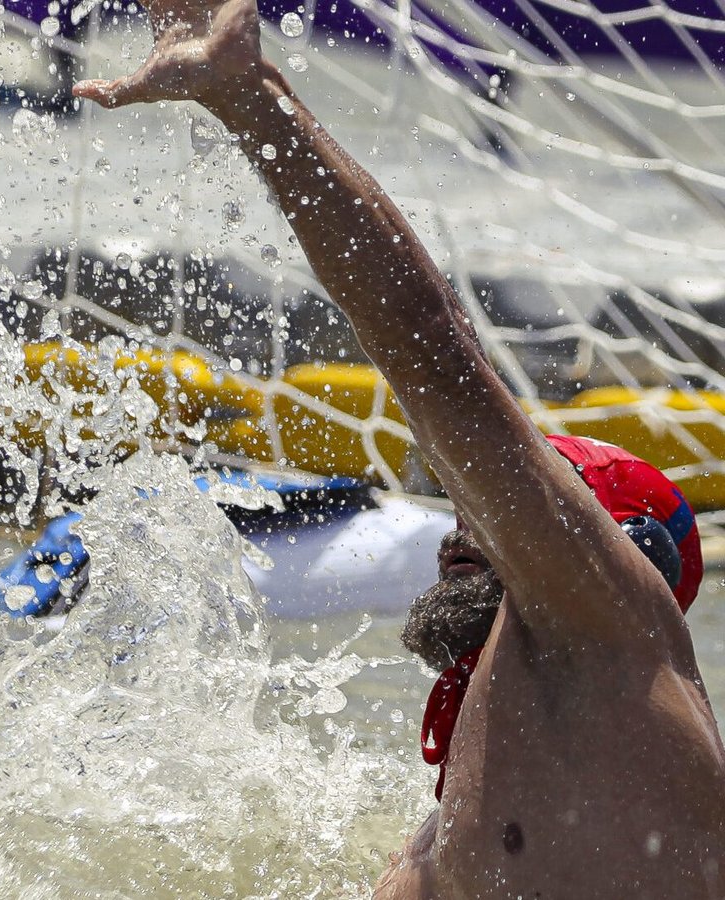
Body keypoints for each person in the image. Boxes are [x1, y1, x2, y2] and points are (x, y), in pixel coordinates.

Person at [74, 2, 725, 896]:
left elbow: (434, 352)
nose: (459, 525)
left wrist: (255, 104)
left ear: (613, 547)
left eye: (498, 501)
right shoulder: (497, 768)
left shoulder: (614, 632)